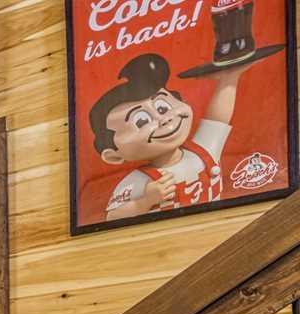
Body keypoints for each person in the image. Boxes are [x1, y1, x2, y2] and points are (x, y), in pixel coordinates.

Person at [89, 53, 248, 221]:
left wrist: (229, 79)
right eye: (142, 121)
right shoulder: (138, 181)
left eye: (162, 107)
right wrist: (145, 202)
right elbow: (112, 216)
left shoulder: (203, 152)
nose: (163, 119)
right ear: (113, 155)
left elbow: (216, 119)